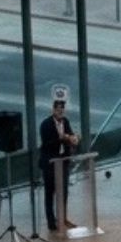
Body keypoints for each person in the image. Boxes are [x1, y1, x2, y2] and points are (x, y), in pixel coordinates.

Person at [39, 97, 80, 232]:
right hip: (50, 164)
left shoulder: (66, 121)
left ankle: (63, 218)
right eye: (58, 109)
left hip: (63, 162)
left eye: (62, 110)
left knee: (63, 191)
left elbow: (70, 135)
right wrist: (61, 138)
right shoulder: (46, 124)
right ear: (53, 110)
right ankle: (51, 222)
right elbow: (47, 143)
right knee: (50, 193)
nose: (60, 112)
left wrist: (74, 139)